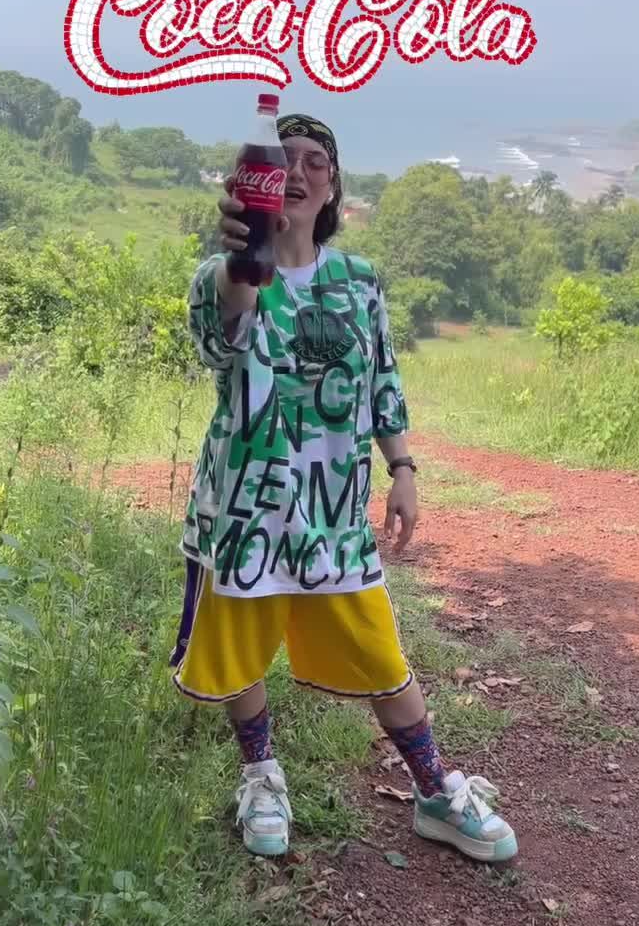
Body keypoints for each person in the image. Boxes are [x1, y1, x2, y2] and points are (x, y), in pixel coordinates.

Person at [170, 111, 517, 865]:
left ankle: (434, 790)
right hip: (245, 508)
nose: (297, 171)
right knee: (240, 649)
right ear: (256, 181)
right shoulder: (225, 275)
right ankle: (261, 776)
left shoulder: (358, 281)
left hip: (333, 510)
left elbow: (382, 375)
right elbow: (219, 337)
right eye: (282, 160)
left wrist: (402, 467)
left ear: (332, 187)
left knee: (379, 650)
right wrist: (241, 261)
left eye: (315, 162)